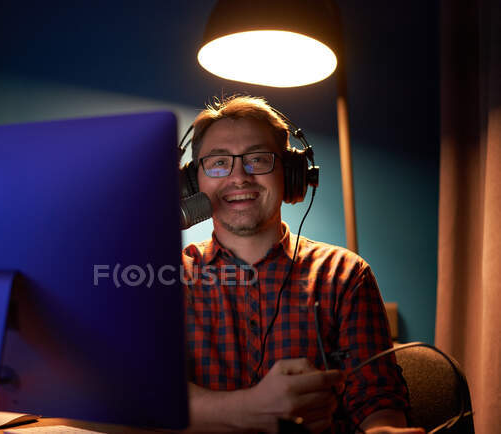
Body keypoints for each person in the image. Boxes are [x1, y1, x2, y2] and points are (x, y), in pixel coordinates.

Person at [181, 95, 422, 434]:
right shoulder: (168, 277)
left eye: (258, 159)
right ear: (193, 183)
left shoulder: (345, 275)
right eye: (219, 162)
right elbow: (142, 398)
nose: (239, 177)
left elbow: (377, 403)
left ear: (292, 175)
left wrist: (383, 428)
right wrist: (251, 410)